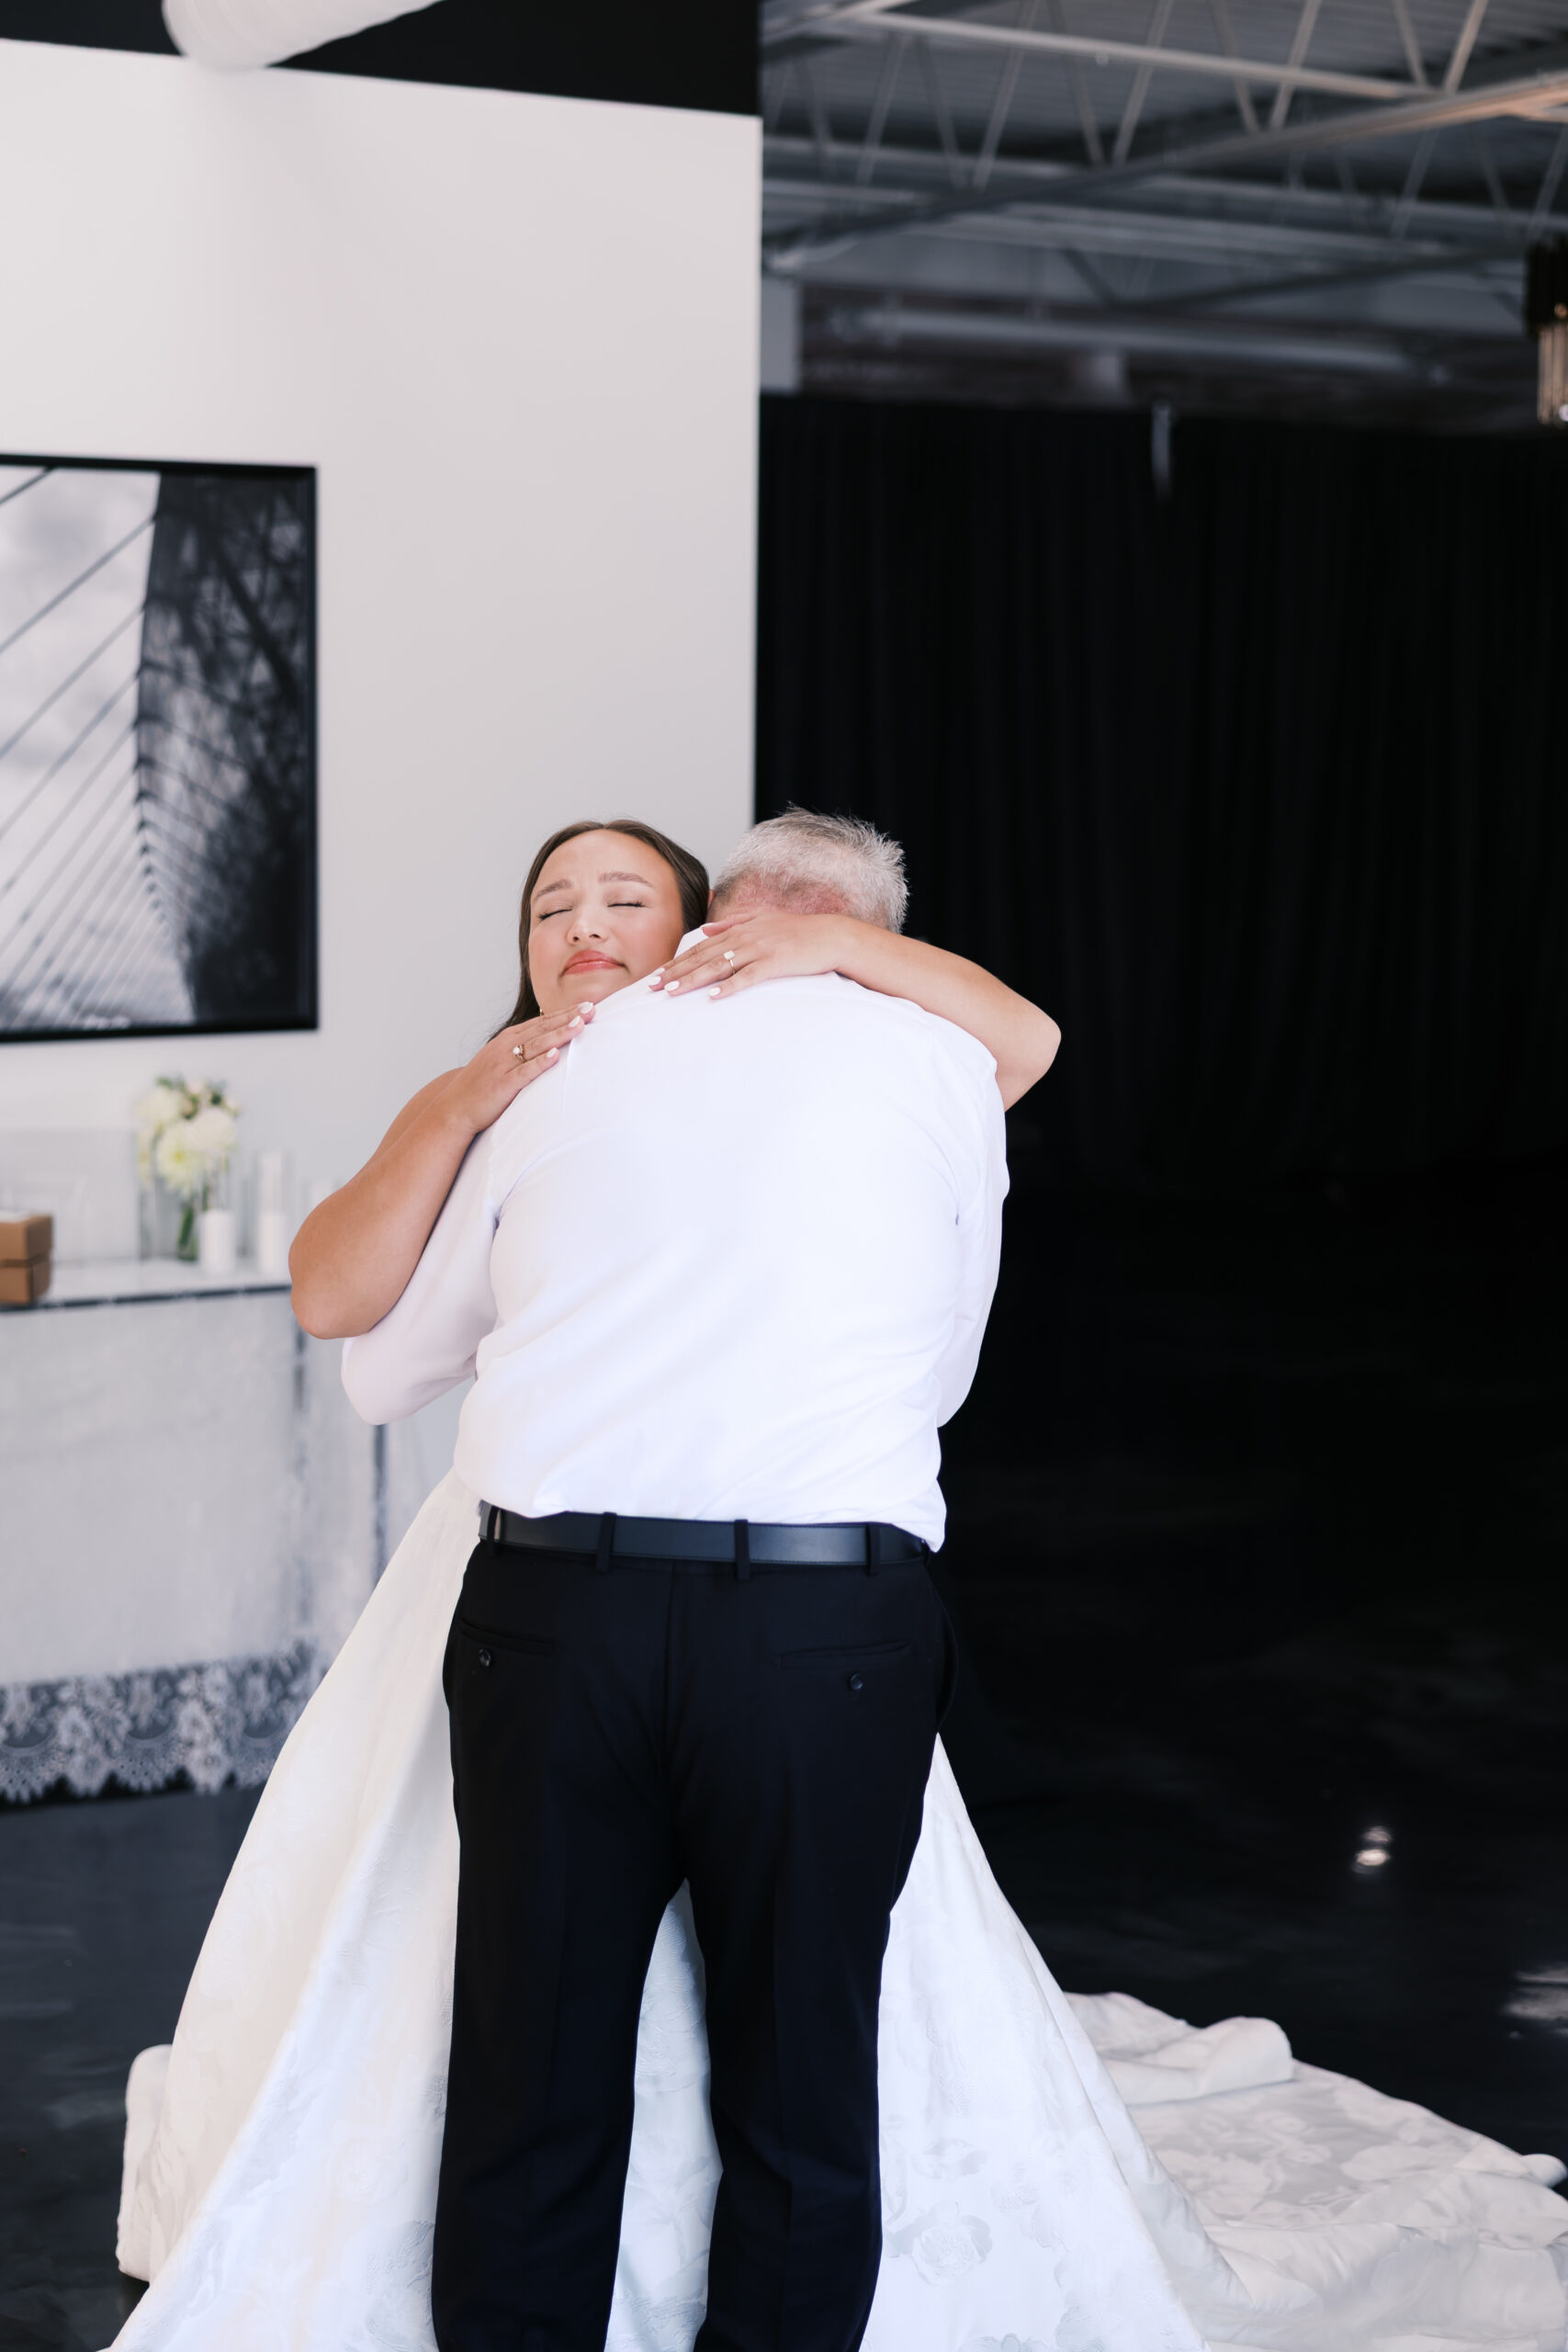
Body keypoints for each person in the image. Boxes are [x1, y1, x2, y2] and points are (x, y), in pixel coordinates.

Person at [109, 817, 1568, 2352]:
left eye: (633, 902)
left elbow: (377, 1367)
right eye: (559, 905)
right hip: (823, 1620)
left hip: (561, 1613)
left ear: (711, 927)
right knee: (805, 2085)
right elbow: (1000, 1154)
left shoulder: (576, 1068)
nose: (593, 930)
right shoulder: (942, 1061)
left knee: (528, 2077)